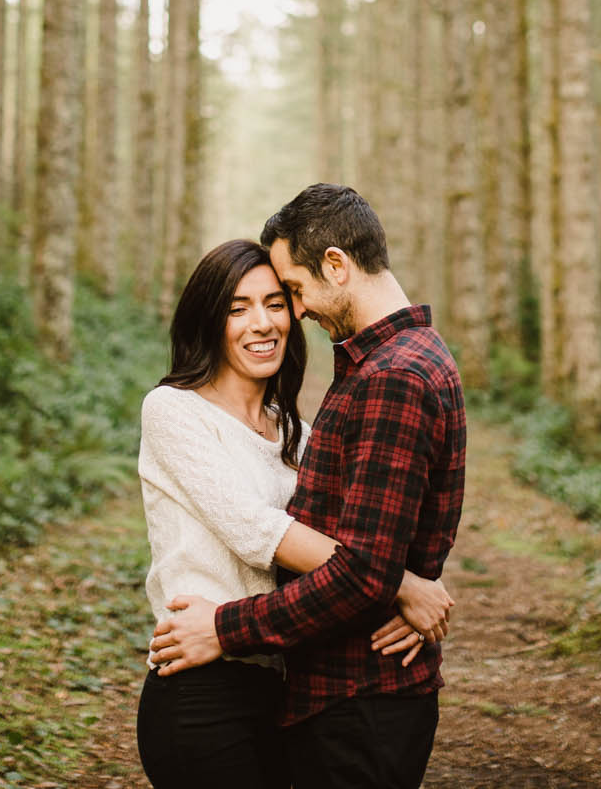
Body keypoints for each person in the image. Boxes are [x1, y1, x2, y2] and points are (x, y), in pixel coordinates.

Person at [149, 185, 469, 789]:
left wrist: (384, 580)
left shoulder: (390, 377)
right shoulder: (393, 366)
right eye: (240, 307)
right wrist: (403, 583)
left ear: (336, 266)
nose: (292, 315)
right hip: (266, 689)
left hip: (356, 692)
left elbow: (361, 566)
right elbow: (339, 548)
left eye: (289, 293)